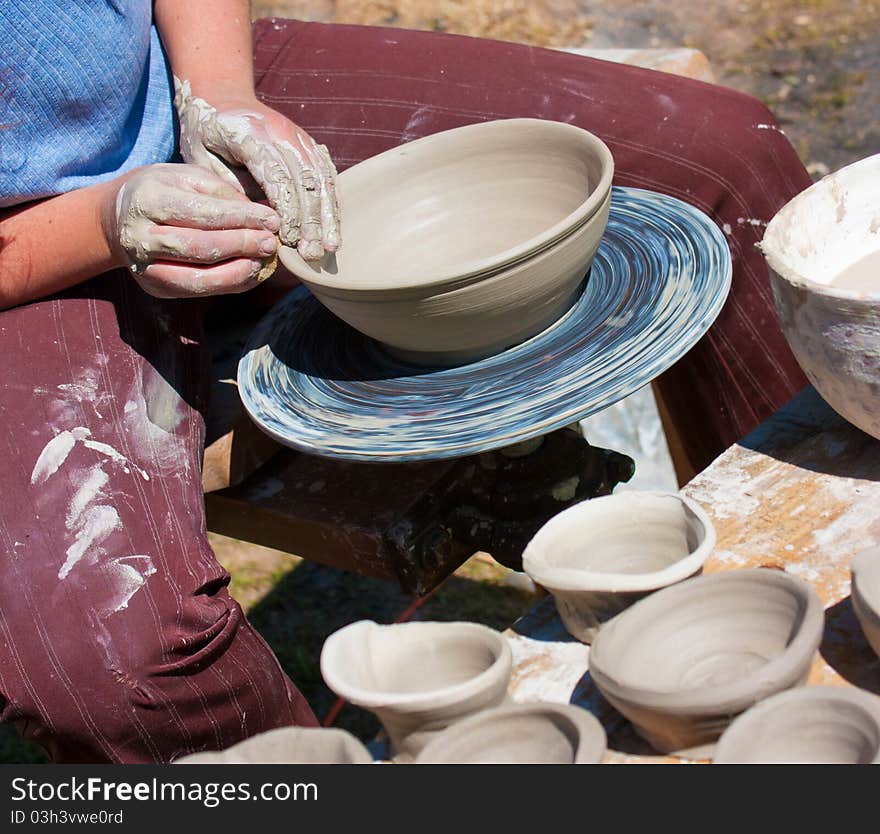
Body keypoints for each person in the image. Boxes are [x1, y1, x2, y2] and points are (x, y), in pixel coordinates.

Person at [0, 2, 811, 763]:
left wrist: (218, 94)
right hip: (28, 249)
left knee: (727, 155)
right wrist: (104, 226)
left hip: (164, 80)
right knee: (111, 665)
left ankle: (806, 587)